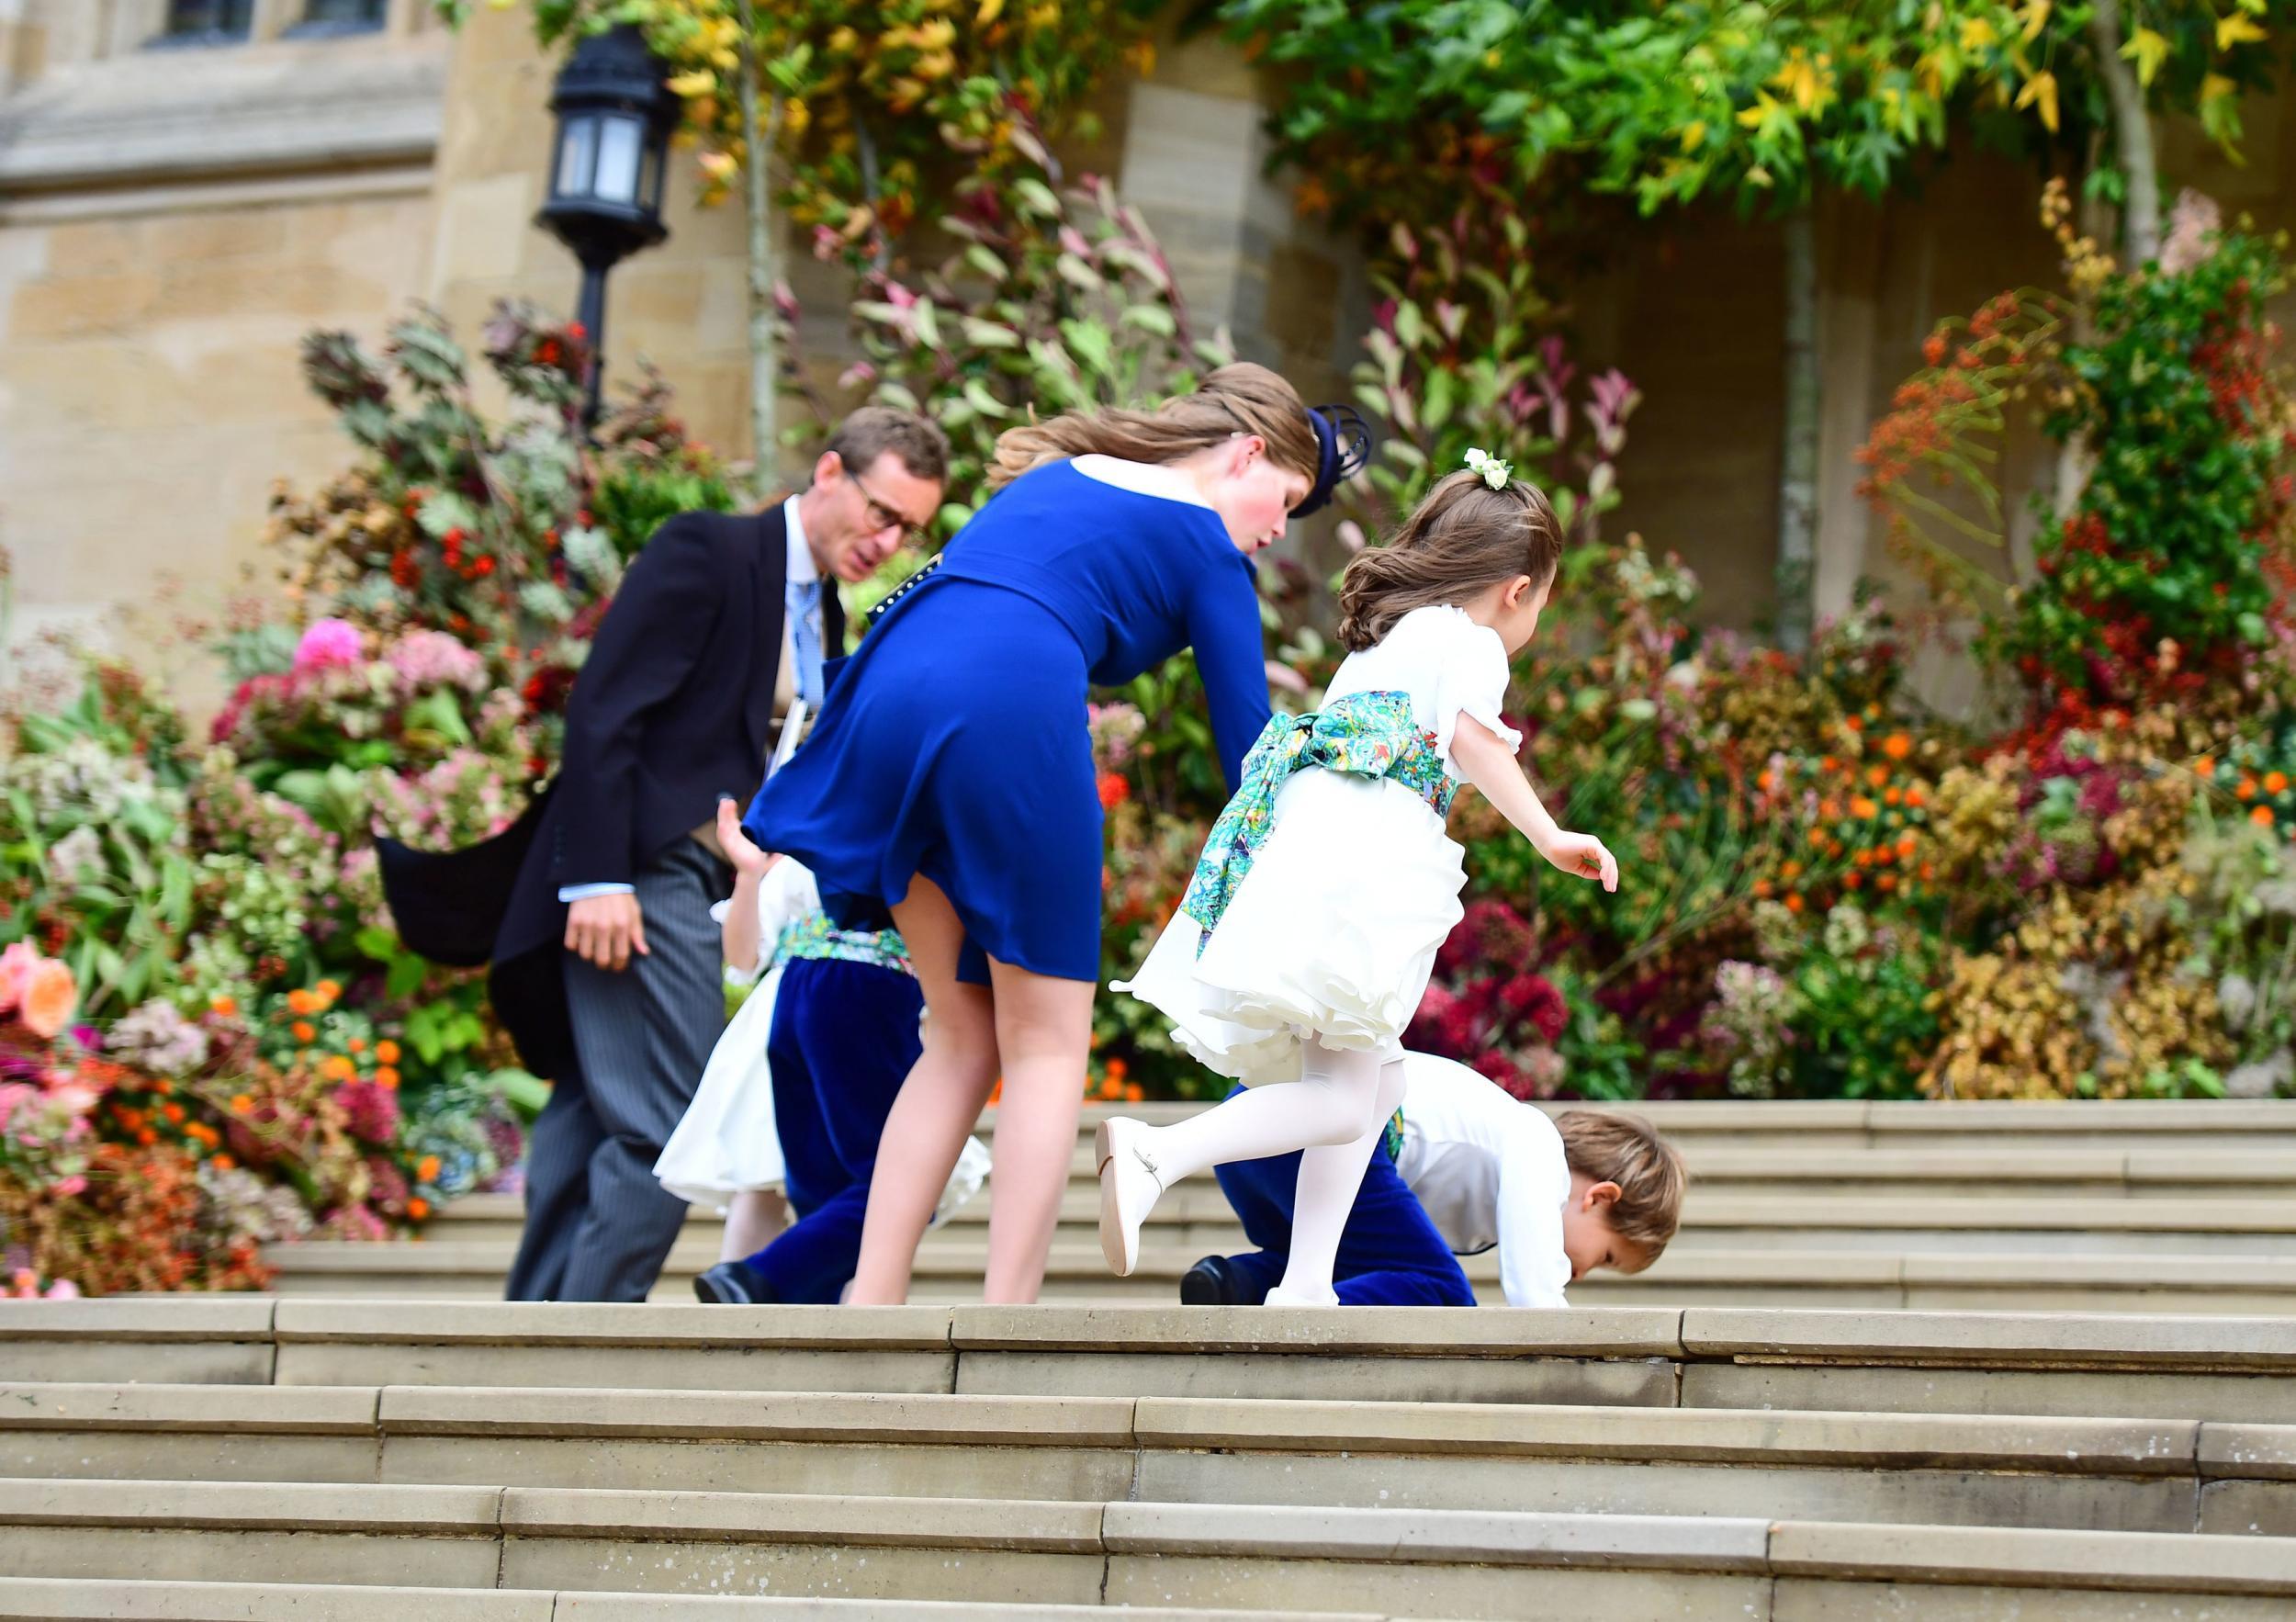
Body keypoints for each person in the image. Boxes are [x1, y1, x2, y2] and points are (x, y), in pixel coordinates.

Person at [745, 364, 1369, 1305]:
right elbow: (1254, 752)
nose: (1278, 527)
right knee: (1046, 1042)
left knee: (957, 1033)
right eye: (1284, 496)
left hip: (887, 685)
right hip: (1007, 702)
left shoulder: (1057, 476)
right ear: (1246, 452)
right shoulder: (1209, 548)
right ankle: (1007, 1314)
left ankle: (867, 1302)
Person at [377, 407, 948, 1301]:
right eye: (882, 511)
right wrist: (599, 877)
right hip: (641, 871)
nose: (889, 540)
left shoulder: (825, 619)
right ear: (830, 471)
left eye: (909, 528)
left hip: (711, 879)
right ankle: (587, 1344)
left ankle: (528, 1338)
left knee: (589, 1112)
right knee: (667, 1116)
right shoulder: (710, 551)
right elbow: (605, 708)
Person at [1101, 455, 1619, 1305]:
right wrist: (1551, 833)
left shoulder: (1398, 636)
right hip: (1365, 864)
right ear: (1519, 590)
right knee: (1343, 1099)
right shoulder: (1468, 641)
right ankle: (1160, 1153)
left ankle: (1306, 1280)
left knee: (1377, 1084)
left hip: (1316, 846)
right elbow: (1475, 742)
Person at [667, 805, 987, 1304]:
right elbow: (743, 958)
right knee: (905, 1177)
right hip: (856, 995)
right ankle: (761, 1276)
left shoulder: (836, 836)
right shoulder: (896, 832)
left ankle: (777, 1294)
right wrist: (750, 877)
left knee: (826, 1185)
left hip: (802, 1002)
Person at [1180, 1051, 1683, 1307]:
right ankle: (1297, 1322)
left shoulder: (1499, 1181)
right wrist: (1561, 1342)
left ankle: (1234, 1285)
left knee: (1356, 1269)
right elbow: (1536, 1293)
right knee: (1443, 1293)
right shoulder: (1535, 1140)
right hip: (1321, 1134)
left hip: (1252, 1129)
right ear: (1599, 1198)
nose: (1583, 1274)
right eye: (1607, 1257)